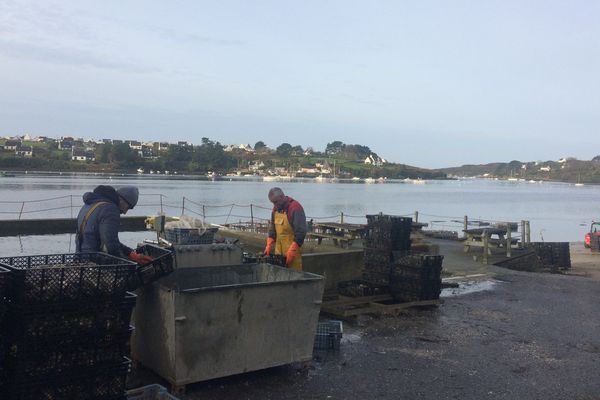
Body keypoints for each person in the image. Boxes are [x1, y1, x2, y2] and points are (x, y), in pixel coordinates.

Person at [76, 185, 152, 264]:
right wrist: (127, 262)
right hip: (95, 262)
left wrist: (129, 253)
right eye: (128, 207)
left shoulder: (89, 205)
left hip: (81, 260)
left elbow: (110, 240)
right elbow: (110, 245)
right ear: (121, 199)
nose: (125, 212)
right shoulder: (110, 209)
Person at [264, 187, 307, 271]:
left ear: (281, 197)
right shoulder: (275, 209)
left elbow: (301, 231)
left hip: (293, 252)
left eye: (275, 202)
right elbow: (273, 228)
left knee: (294, 275)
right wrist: (269, 244)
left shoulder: (295, 208)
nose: (274, 205)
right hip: (278, 253)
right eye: (272, 202)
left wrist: (293, 249)